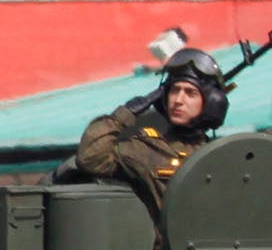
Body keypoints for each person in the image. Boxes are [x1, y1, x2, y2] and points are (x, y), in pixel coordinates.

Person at [73, 47, 227, 209]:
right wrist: (124, 115)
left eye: (190, 93)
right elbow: (90, 157)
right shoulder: (146, 149)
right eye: (174, 90)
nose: (178, 100)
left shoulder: (220, 156)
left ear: (211, 103)